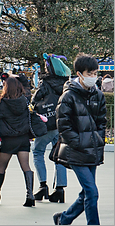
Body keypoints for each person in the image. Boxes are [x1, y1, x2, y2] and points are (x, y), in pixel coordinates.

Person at [52, 54, 107, 226]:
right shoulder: (68, 96)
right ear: (79, 73)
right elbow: (64, 127)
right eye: (89, 73)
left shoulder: (98, 95)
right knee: (92, 192)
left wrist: (97, 140)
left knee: (86, 192)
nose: (93, 76)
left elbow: (102, 122)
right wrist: (79, 143)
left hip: (92, 150)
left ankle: (64, 218)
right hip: (76, 151)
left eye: (94, 73)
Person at [0, 75, 35, 206]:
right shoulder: (24, 101)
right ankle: (30, 195)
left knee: (1, 168)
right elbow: (26, 84)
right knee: (26, 167)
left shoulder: (2, 103)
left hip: (8, 140)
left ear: (6, 88)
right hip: (23, 139)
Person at [32, 57, 68, 203]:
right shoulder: (66, 82)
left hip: (47, 123)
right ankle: (60, 189)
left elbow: (35, 100)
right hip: (61, 124)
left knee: (38, 151)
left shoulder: (45, 83)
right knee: (59, 155)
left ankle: (43, 186)